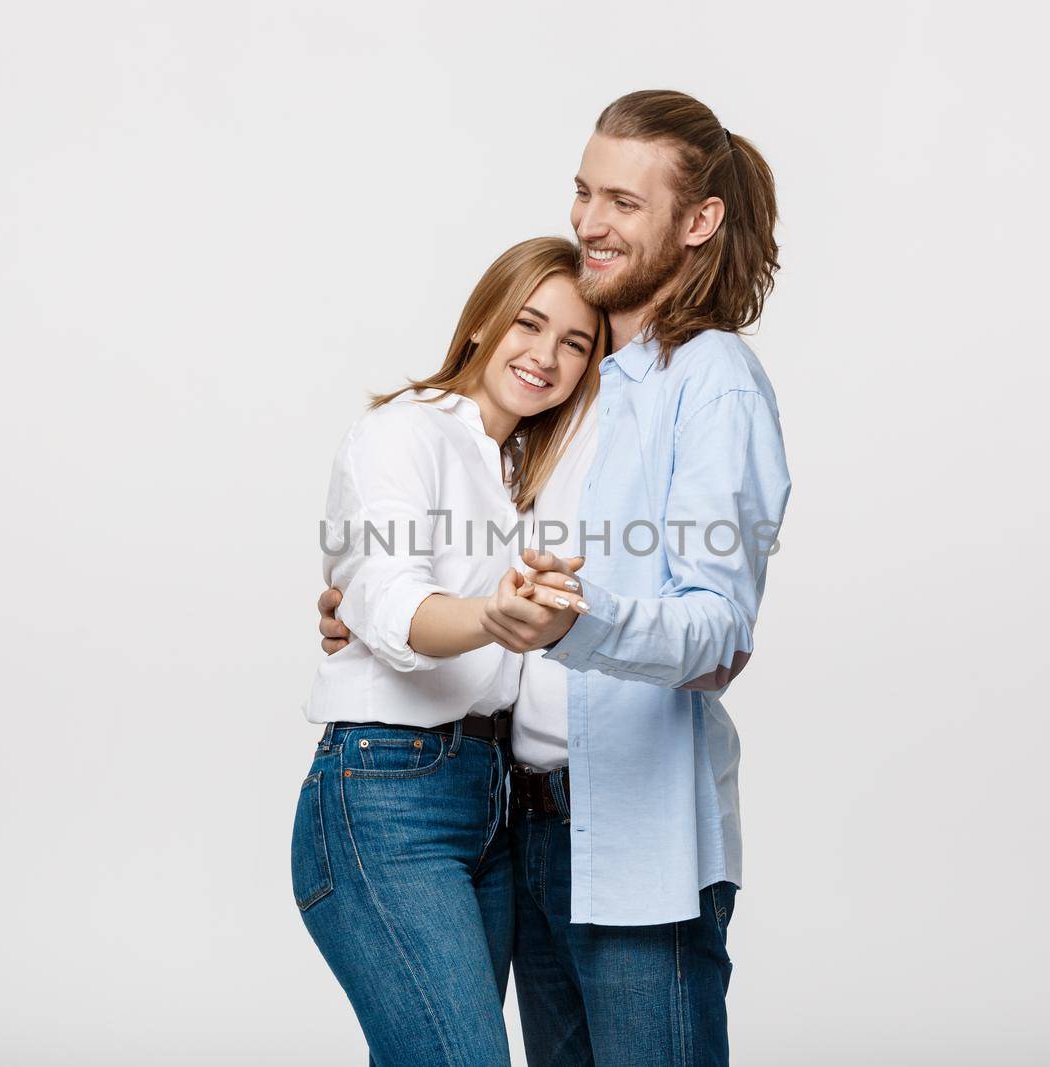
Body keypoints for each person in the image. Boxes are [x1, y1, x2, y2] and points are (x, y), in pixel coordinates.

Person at [319, 89, 790, 1066]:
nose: (589, 220)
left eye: (623, 199)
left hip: (637, 839)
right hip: (522, 832)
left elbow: (716, 638)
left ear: (698, 221)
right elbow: (465, 559)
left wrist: (567, 623)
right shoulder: (580, 391)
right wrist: (364, 604)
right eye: (583, 191)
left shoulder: (711, 381)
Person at [292, 235, 610, 1066]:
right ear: (482, 323)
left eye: (575, 342)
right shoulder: (404, 435)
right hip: (390, 792)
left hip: (492, 799)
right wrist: (490, 617)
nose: (546, 355)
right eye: (529, 324)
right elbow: (393, 603)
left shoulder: (521, 473)